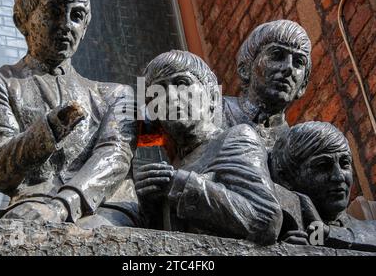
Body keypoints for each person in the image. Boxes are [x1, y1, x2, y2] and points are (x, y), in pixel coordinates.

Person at [0, 0, 138, 228]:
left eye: (77, 15)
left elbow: (115, 156)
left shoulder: (115, 95)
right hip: (31, 204)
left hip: (103, 208)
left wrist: (63, 205)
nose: (66, 25)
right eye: (54, 11)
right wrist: (48, 131)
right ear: (21, 20)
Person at [134, 50, 282, 245]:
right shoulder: (176, 163)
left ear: (212, 96)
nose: (170, 96)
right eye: (158, 92)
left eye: (181, 84)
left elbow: (265, 218)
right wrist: (151, 206)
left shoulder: (235, 138)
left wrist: (180, 185)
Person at [270, 122, 376, 251]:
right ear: (286, 177)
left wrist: (325, 235)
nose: (339, 177)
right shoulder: (275, 231)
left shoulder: (371, 231)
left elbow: (318, 238)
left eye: (344, 164)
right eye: (322, 166)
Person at [223, 20, 312, 150]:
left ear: (302, 87)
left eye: (298, 62)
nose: (289, 68)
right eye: (276, 55)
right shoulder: (213, 110)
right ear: (246, 69)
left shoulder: (295, 145)